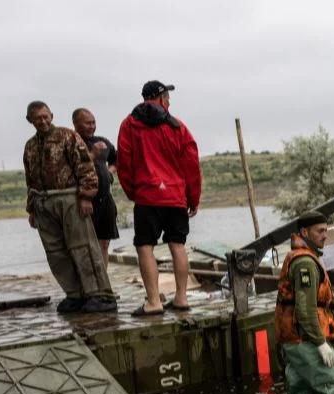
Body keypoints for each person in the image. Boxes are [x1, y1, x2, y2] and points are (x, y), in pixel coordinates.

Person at [116, 80, 202, 317]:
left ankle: (153, 302)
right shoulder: (178, 127)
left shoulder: (129, 125)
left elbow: (124, 163)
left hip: (146, 195)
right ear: (161, 98)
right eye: (168, 97)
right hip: (175, 197)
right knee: (178, 245)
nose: (170, 101)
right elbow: (191, 164)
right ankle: (182, 298)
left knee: (145, 247)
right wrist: (192, 198)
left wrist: (133, 192)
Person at [22, 101, 117, 313]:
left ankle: (100, 294)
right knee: (56, 252)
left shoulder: (67, 136)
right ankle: (74, 294)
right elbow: (30, 179)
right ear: (30, 120)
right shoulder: (29, 146)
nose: (43, 121)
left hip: (69, 198)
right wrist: (31, 209)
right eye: (38, 118)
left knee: (83, 247)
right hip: (43, 202)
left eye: (46, 116)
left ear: (52, 115)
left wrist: (86, 197)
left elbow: (85, 166)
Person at [275, 210, 334, 394]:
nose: (325, 235)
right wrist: (321, 344)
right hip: (303, 339)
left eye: (326, 230)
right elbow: (305, 310)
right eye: (319, 231)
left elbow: (321, 308)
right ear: (304, 232)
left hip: (296, 337)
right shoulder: (305, 264)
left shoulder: (305, 257)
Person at [73, 108, 119, 264]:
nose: (92, 126)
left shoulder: (103, 142)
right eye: (87, 123)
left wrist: (110, 171)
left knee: (104, 243)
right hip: (84, 201)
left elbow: (116, 159)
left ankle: (103, 282)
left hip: (106, 200)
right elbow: (71, 168)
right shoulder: (71, 143)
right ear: (76, 124)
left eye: (94, 122)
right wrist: (92, 154)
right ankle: (89, 284)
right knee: (87, 246)